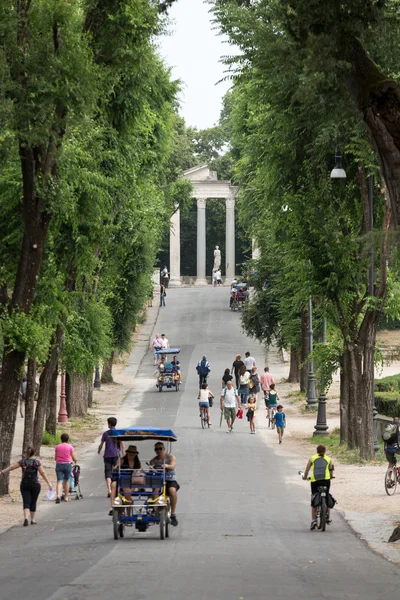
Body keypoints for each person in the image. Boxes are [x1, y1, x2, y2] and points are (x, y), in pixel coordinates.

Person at [0, 446, 52, 526]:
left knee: (26, 501)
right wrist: (49, 483)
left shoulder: (22, 461)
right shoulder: (36, 462)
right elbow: (42, 473)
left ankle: (26, 518)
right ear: (33, 453)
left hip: (24, 484)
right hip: (35, 484)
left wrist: (3, 471)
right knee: (33, 501)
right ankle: (33, 519)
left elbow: (12, 467)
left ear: (26, 453)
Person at [303, 444, 334, 530]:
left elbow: (307, 469)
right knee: (327, 496)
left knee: (314, 498)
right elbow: (331, 470)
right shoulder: (328, 459)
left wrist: (305, 477)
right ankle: (328, 518)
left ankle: (314, 520)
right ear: (325, 451)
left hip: (315, 480)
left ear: (317, 451)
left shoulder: (312, 458)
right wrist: (331, 476)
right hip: (326, 480)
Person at [150, 443, 179, 526]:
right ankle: (155, 509)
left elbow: (172, 466)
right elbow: (151, 467)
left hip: (170, 480)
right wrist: (152, 468)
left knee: (172, 491)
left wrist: (166, 466)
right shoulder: (153, 460)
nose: (158, 451)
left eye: (160, 449)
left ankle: (173, 514)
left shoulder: (171, 458)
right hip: (159, 480)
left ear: (164, 449)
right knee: (155, 490)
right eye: (156, 449)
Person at [109, 445, 143, 514]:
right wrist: (117, 467)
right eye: (130, 453)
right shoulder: (122, 460)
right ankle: (113, 505)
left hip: (131, 480)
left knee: (127, 494)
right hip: (121, 478)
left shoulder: (137, 462)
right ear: (127, 453)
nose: (131, 455)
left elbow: (139, 473)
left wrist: (140, 486)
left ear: (135, 454)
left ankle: (128, 514)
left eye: (133, 454)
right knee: (113, 484)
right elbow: (116, 467)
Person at [98, 417, 125, 498]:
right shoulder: (118, 433)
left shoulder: (106, 433)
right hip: (116, 455)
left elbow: (101, 444)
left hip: (107, 456)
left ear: (109, 424)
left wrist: (99, 450)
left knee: (108, 473)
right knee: (117, 472)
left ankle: (109, 490)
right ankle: (118, 489)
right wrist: (124, 455)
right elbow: (122, 445)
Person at [54, 433, 78, 503]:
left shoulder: (57, 447)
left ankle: (58, 495)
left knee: (59, 481)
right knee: (66, 481)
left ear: (61, 439)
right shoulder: (70, 447)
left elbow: (55, 458)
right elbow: (73, 458)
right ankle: (66, 497)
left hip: (59, 465)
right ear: (68, 439)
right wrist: (75, 460)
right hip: (67, 465)